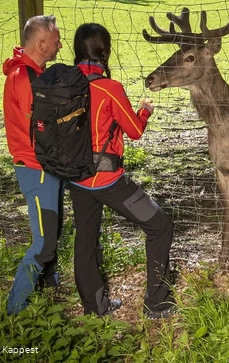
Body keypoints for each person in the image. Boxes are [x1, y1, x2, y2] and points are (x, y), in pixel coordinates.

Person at [68, 22, 176, 319]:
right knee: (160, 225)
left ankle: (94, 307)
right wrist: (145, 111)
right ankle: (158, 303)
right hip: (107, 180)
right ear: (105, 51)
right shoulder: (109, 88)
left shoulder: (63, 83)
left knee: (85, 240)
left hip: (76, 178)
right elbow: (135, 130)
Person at [2, 15, 65, 315]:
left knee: (50, 231)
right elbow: (41, 125)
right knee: (43, 243)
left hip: (42, 167)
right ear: (41, 44)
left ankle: (48, 290)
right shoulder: (25, 78)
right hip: (37, 169)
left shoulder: (29, 72)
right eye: (56, 42)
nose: (60, 46)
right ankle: (16, 311)